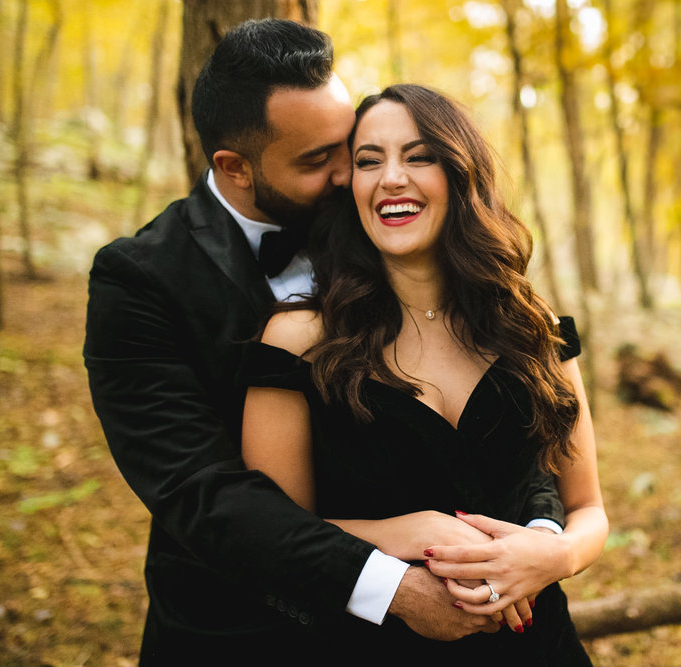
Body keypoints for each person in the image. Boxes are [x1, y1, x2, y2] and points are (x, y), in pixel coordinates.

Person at [83, 20, 566, 665]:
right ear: (234, 167)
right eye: (318, 160)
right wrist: (390, 583)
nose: (352, 175)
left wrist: (539, 538)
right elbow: (203, 494)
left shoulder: (382, 226)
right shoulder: (139, 281)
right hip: (238, 629)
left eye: (351, 147)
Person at [240, 83, 609, 663]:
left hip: (535, 645)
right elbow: (271, 535)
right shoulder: (300, 341)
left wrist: (552, 557)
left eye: (418, 157)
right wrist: (402, 532)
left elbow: (586, 507)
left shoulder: (533, 330)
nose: (391, 178)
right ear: (352, 188)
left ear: (461, 176)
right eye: (369, 161)